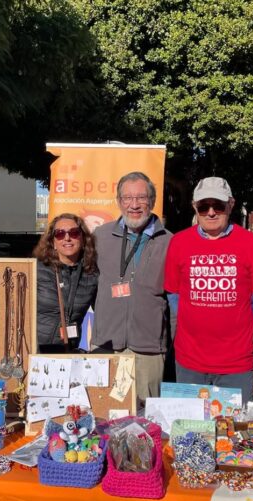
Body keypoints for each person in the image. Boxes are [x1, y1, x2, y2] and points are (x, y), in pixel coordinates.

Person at [164, 177, 253, 403]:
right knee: (191, 432)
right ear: (195, 207)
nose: (211, 212)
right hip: (189, 361)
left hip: (235, 364)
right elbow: (173, 293)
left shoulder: (252, 245)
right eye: (204, 206)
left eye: (218, 205)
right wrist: (191, 320)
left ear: (231, 205)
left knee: (232, 433)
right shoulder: (179, 243)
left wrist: (241, 327)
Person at [91, 171, 173, 411]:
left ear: (152, 201)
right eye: (127, 198)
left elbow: (175, 301)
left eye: (141, 198)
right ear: (119, 201)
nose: (134, 205)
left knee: (148, 422)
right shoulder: (100, 237)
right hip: (107, 345)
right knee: (104, 415)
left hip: (148, 350)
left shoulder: (169, 241)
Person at [34, 213, 99, 352]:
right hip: (36, 350)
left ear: (83, 239)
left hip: (68, 351)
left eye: (74, 233)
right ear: (53, 242)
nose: (67, 238)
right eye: (60, 234)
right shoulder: (37, 270)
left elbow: (103, 311)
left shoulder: (91, 274)